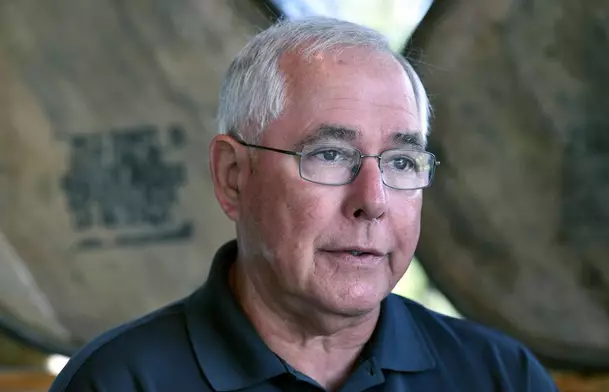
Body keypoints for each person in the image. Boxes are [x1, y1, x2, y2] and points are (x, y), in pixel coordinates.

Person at [49, 16, 560, 392]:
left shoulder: (500, 377)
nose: (373, 202)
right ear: (233, 178)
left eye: (402, 162)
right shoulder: (117, 382)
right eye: (330, 155)